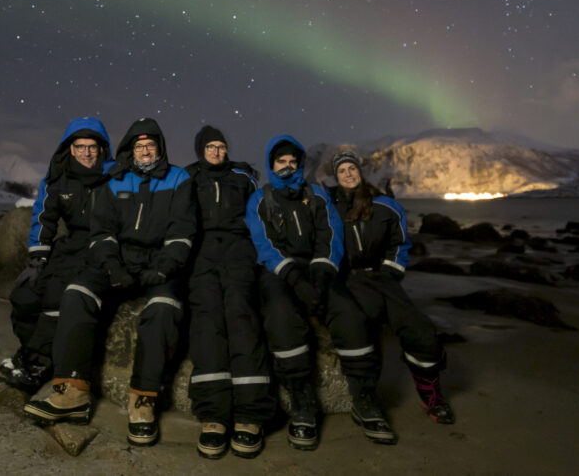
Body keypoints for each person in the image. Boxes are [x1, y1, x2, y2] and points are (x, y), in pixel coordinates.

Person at [23, 117, 196, 448]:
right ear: (130, 150)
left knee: (162, 309)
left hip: (160, 264)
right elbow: (102, 231)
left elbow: (182, 231)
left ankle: (143, 400)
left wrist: (164, 268)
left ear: (160, 148)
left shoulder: (179, 179)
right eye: (139, 146)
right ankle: (72, 392)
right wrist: (112, 266)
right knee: (76, 294)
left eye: (151, 146)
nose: (145, 151)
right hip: (119, 260)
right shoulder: (115, 180)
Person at [245, 135, 371, 451]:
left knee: (350, 314)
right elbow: (264, 244)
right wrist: (294, 279)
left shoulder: (316, 194)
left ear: (299, 165)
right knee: (282, 317)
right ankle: (302, 400)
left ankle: (363, 395)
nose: (287, 166)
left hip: (317, 269)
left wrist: (321, 273)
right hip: (279, 272)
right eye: (281, 161)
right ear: (271, 165)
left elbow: (331, 234)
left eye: (292, 161)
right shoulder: (261, 199)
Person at [327, 149, 455, 445]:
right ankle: (365, 398)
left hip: (382, 277)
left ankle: (431, 395)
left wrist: (390, 271)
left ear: (360, 171)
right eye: (341, 170)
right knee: (361, 330)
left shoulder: (385, 205)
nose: (348, 174)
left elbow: (400, 243)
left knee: (419, 328)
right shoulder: (328, 206)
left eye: (352, 168)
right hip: (350, 279)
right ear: (335, 176)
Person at [0, 117, 113, 392]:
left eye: (92, 147)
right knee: (24, 294)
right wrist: (37, 257)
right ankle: (29, 351)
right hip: (70, 245)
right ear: (70, 149)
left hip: (100, 246)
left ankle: (38, 365)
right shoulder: (57, 178)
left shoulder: (115, 177)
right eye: (80, 146)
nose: (86, 152)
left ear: (101, 149)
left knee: (55, 296)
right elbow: (44, 218)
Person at [184, 126, 275, 459]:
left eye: (221, 145)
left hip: (238, 251)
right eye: (210, 146)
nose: (216, 151)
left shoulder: (243, 176)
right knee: (207, 319)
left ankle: (251, 415)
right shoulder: (188, 176)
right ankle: (213, 415)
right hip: (202, 253)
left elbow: (258, 214)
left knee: (241, 315)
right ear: (200, 149)